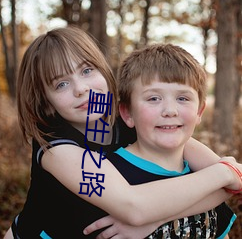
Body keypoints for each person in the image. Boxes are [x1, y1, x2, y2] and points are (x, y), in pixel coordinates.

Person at [3, 26, 242, 239]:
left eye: (86, 71)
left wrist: (157, 219)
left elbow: (231, 184)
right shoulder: (55, 148)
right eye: (61, 84)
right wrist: (224, 171)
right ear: (46, 102)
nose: (81, 89)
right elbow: (134, 208)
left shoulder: (121, 118)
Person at [83, 43, 241, 238]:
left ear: (199, 111)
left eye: (183, 98)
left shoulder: (205, 177)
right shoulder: (110, 179)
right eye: (153, 99)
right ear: (127, 113)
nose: (170, 111)